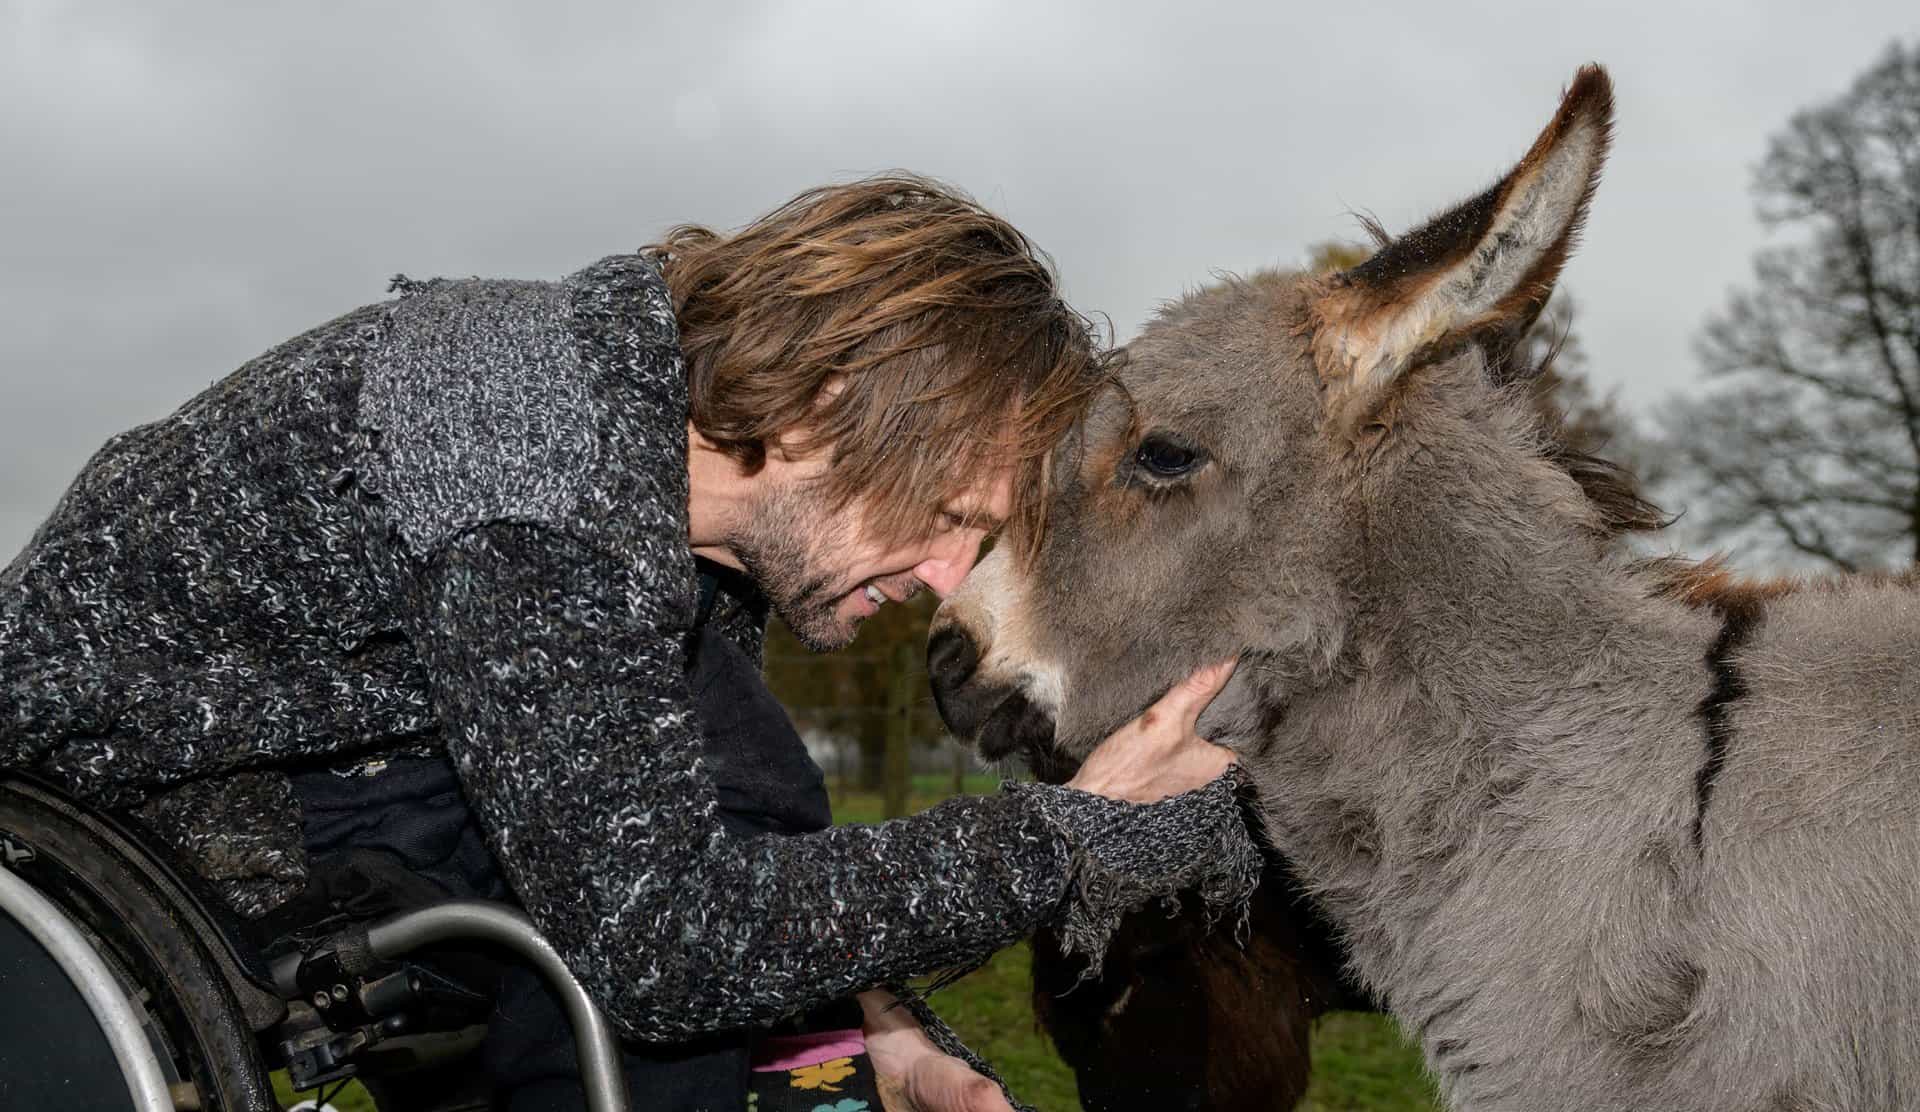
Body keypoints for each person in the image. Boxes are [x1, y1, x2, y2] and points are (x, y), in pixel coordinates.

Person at [0, 176, 1256, 1110]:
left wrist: (878, 1030)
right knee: (646, 973)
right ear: (831, 407)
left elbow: (742, 833)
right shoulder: (519, 434)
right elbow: (666, 938)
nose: (942, 579)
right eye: (949, 519)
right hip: (128, 805)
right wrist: (1084, 833)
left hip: (368, 778)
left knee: (747, 822)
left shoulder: (677, 510)